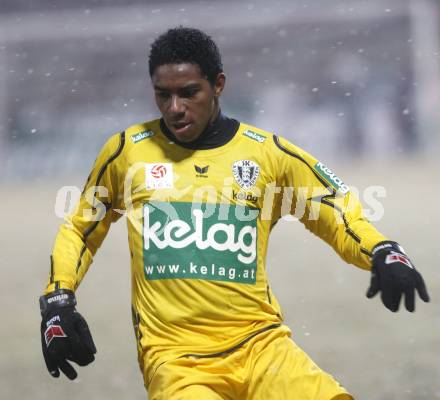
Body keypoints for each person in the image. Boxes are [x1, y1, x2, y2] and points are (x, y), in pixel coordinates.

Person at [39, 27, 430, 400]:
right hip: (177, 358)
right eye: (163, 95)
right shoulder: (128, 151)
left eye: (189, 93)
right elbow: (80, 228)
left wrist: (382, 250)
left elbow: (336, 213)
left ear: (218, 85)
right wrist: (58, 303)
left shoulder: (267, 154)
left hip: (262, 345)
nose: (175, 109)